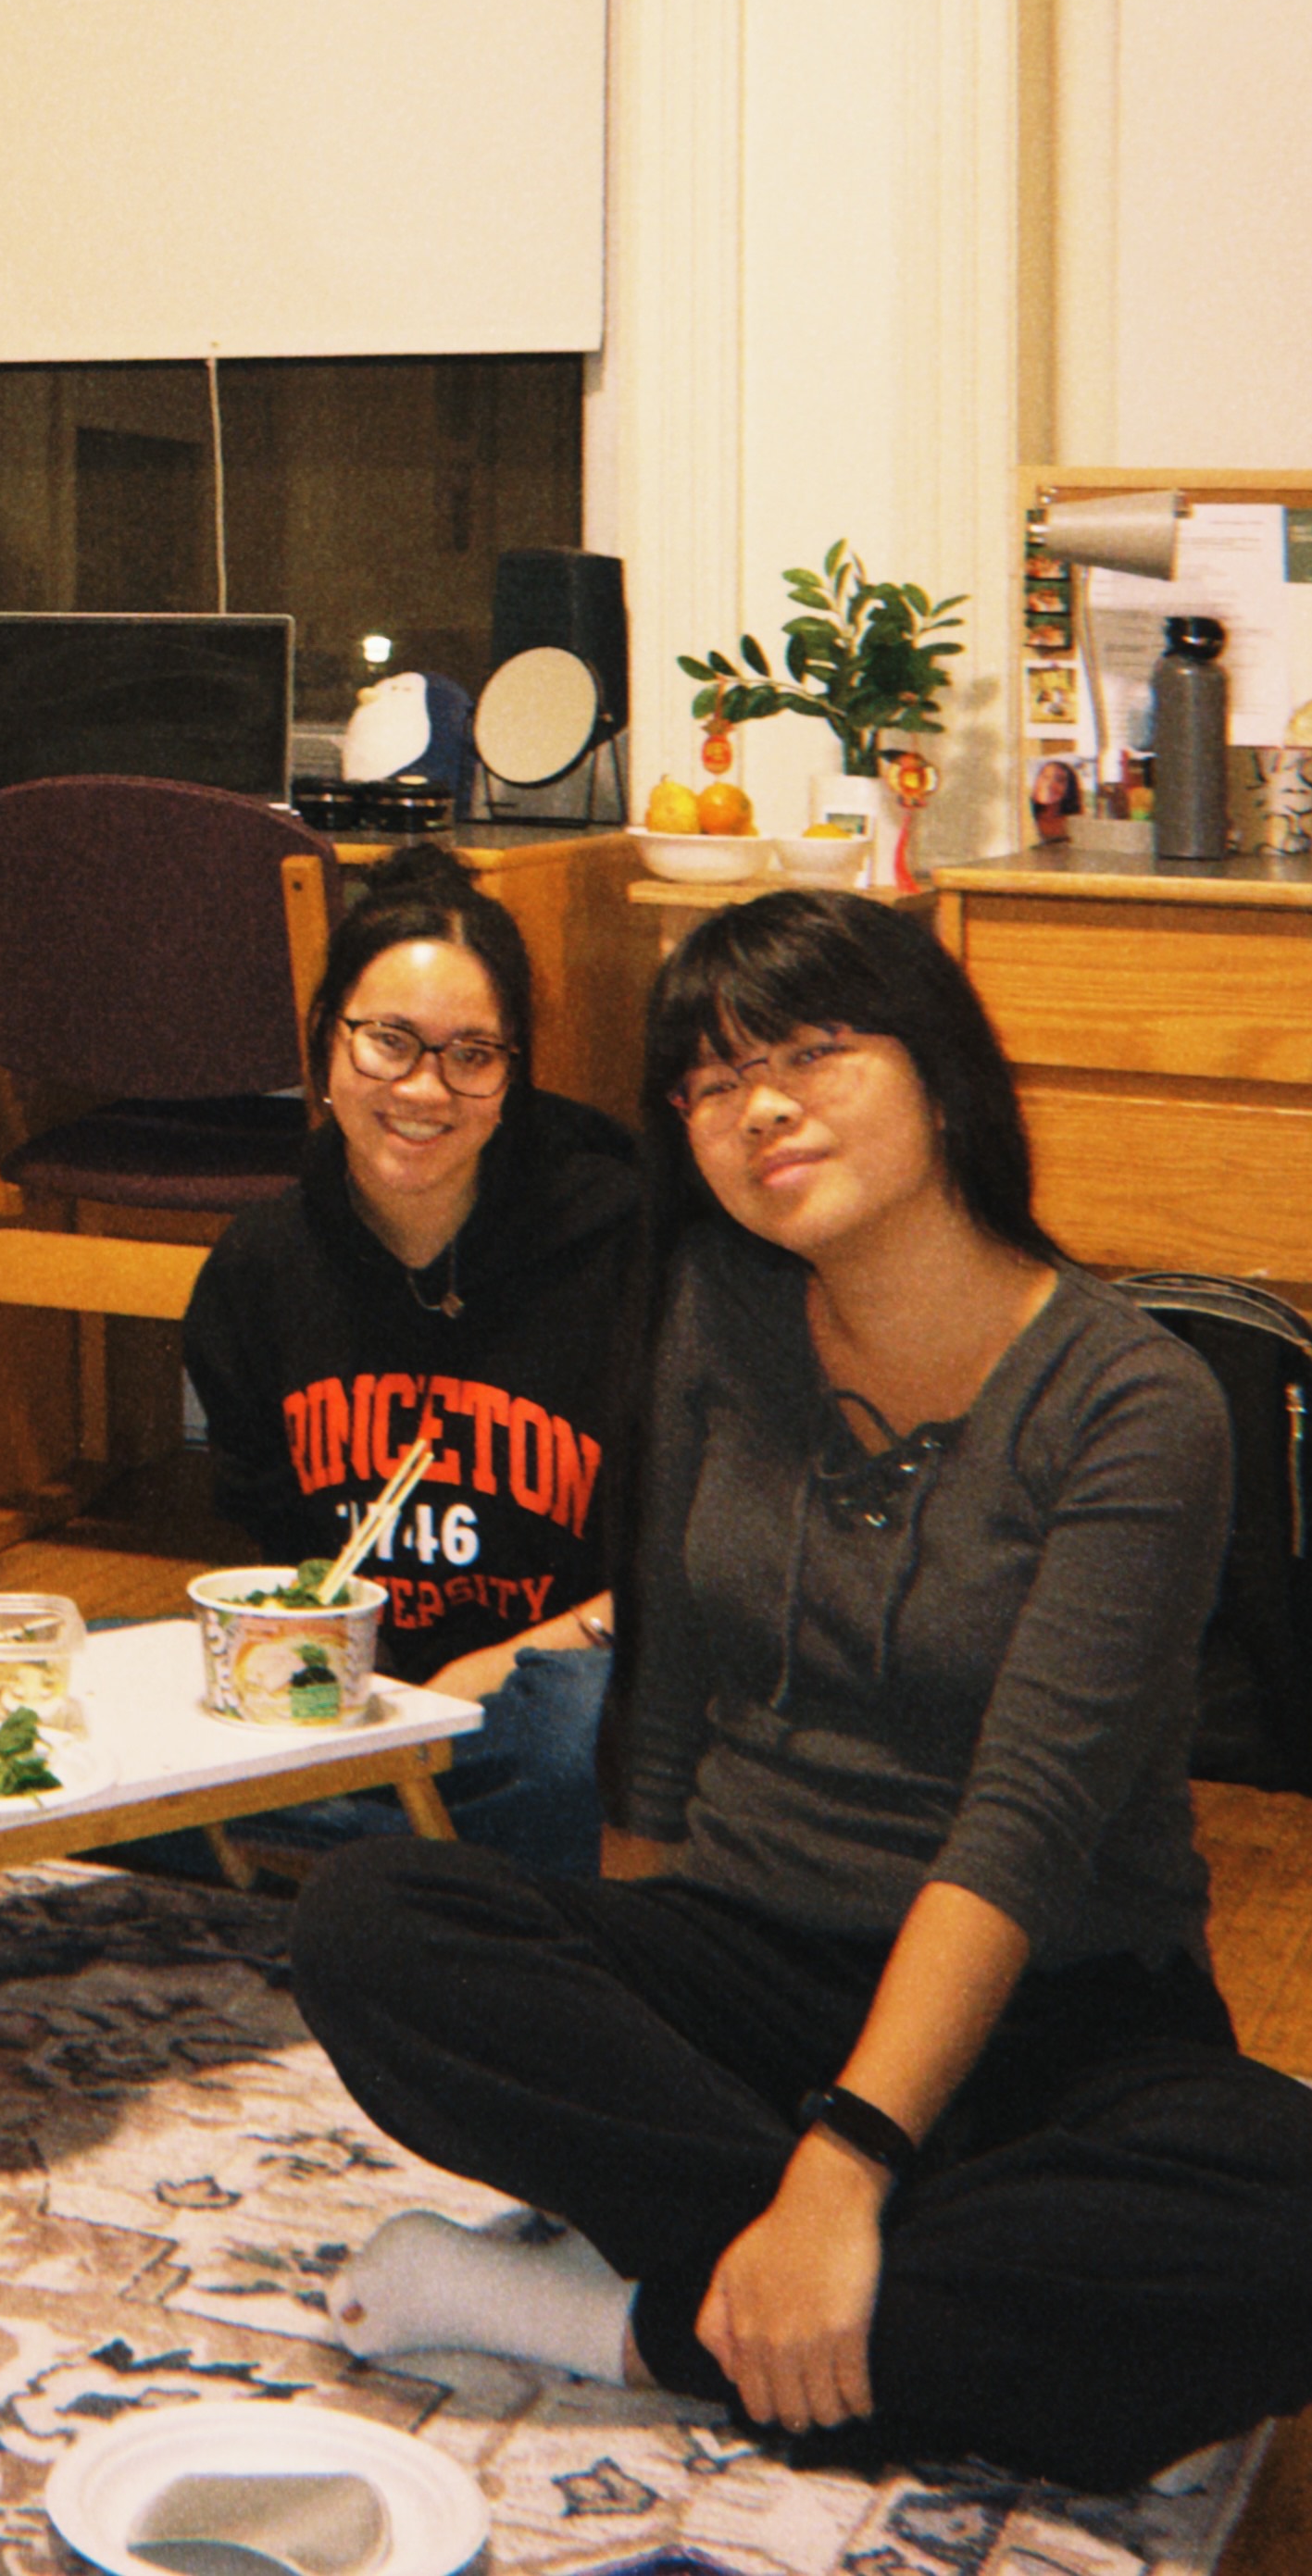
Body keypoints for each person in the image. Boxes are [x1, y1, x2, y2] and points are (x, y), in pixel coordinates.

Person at [288, 888, 1312, 2495]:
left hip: (1051, 1999)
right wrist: (635, 1989)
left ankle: (633, 2327)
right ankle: (918, 2317)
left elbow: (1024, 1828)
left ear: (943, 1068)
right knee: (368, 1923)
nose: (756, 1105)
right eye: (705, 1080)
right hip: (751, 1957)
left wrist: (847, 2166)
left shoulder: (1136, 1399)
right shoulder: (718, 1310)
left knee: (1284, 2210)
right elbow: (668, 1704)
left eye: (813, 1050)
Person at [180, 843, 639, 1873]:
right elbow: (272, 1558)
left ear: (514, 1068)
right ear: (324, 1044)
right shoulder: (258, 1268)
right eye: (389, 1040)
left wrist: (489, 1669)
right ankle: (405, 1854)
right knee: (91, 1679)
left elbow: (677, 1573)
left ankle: (326, 1852)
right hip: (356, 1698)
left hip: (550, 1680)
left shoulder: (622, 1242)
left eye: (471, 1053)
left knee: (581, 1743)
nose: (425, 1089)